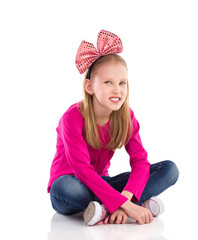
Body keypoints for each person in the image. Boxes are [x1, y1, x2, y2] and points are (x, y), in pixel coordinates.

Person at [47, 30, 179, 226]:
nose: (117, 89)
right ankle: (135, 204)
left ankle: (105, 210)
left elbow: (140, 162)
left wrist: (124, 197)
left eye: (122, 83)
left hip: (102, 183)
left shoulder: (126, 117)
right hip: (72, 183)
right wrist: (127, 202)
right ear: (89, 86)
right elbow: (82, 170)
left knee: (169, 169)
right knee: (67, 188)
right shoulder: (71, 117)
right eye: (108, 82)